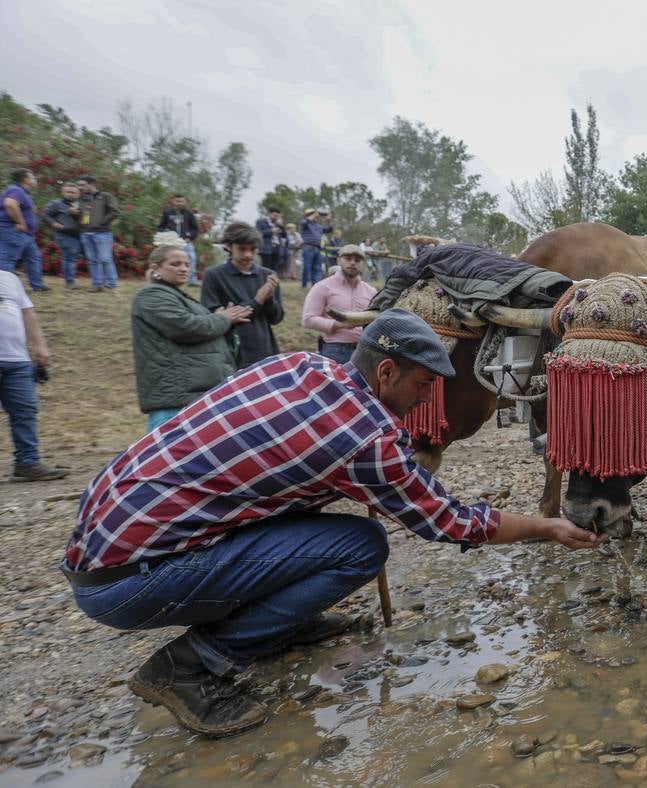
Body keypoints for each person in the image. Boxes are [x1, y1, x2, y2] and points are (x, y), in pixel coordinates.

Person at [61, 308, 603, 737]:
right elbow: (449, 522)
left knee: (317, 522)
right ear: (386, 372)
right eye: (421, 385)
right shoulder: (365, 439)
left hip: (102, 544)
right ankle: (191, 665)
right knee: (361, 546)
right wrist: (548, 527)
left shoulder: (298, 366)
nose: (424, 400)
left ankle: (275, 621)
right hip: (126, 584)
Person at [132, 245, 250, 430]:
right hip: (175, 399)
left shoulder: (177, 296)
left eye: (187, 264)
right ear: (155, 268)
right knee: (169, 448)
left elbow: (202, 331)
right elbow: (187, 328)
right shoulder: (151, 295)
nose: (184, 269)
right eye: (175, 264)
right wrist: (223, 319)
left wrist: (227, 323)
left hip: (193, 396)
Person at [0, 268, 66, 480]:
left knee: (25, 411)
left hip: (17, 360)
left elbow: (27, 313)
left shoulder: (10, 278)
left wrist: (40, 345)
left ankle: (27, 462)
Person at [200, 222, 284, 368]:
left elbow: (276, 318)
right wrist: (258, 300)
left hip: (264, 351)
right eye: (242, 249)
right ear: (228, 246)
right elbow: (213, 317)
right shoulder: (213, 275)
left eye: (253, 249)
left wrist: (269, 298)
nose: (248, 255)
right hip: (230, 352)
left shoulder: (268, 275)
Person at [302, 244, 376, 364]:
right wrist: (339, 325)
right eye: (348, 259)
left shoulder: (370, 291)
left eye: (357, 260)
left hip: (366, 350)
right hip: (334, 349)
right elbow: (308, 319)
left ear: (363, 264)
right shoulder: (322, 287)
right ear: (338, 260)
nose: (352, 263)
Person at [0, 168, 47, 291]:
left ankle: (37, 286)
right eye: (32, 177)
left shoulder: (22, 192)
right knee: (7, 259)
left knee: (33, 257)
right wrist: (20, 222)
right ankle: (4, 289)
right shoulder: (16, 190)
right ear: (25, 179)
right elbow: (10, 204)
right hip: (13, 231)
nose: (35, 180)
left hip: (25, 234)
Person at [77, 176, 119, 291]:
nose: (80, 187)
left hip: (102, 233)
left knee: (105, 259)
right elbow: (83, 215)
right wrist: (75, 214)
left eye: (82, 185)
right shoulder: (83, 199)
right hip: (86, 234)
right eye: (79, 185)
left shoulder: (105, 196)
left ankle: (112, 284)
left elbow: (115, 211)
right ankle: (97, 285)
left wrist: (102, 222)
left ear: (92, 184)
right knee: (92, 260)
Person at [40, 181, 84, 288]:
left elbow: (86, 219)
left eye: (73, 192)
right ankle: (70, 282)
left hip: (79, 235)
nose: (71, 194)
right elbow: (44, 215)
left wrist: (81, 217)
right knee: (70, 258)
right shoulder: (56, 204)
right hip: (64, 234)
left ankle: (70, 281)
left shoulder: (81, 205)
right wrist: (54, 223)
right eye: (68, 192)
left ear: (78, 194)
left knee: (71, 257)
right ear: (63, 192)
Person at [156, 195, 201, 287]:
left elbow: (195, 229)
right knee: (167, 260)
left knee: (191, 258)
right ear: (172, 202)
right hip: (171, 242)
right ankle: (165, 278)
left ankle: (191, 281)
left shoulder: (189, 214)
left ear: (185, 203)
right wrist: (165, 235)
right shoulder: (167, 213)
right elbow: (160, 227)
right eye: (177, 201)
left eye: (181, 201)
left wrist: (189, 237)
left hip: (185, 242)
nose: (179, 203)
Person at [299, 209, 331, 288]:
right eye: (313, 215)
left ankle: (315, 286)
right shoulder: (305, 223)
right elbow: (304, 223)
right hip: (308, 247)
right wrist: (313, 215)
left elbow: (329, 229)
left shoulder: (318, 226)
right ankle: (304, 285)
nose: (316, 216)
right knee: (307, 267)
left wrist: (328, 221)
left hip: (317, 249)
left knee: (317, 268)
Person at [255, 206, 287, 275]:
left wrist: (281, 226)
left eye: (278, 216)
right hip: (266, 249)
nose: (276, 217)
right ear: (269, 214)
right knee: (265, 268)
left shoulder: (277, 223)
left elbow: (285, 236)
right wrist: (271, 231)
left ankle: (273, 280)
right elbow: (258, 233)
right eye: (275, 215)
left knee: (274, 269)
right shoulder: (261, 221)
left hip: (277, 249)